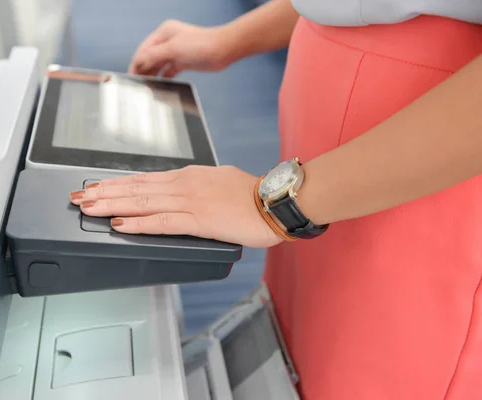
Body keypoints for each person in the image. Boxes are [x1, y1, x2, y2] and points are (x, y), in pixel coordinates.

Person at [69, 1, 482, 398]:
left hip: (424, 157)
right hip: (318, 152)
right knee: (286, 358)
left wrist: (275, 204)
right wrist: (228, 40)